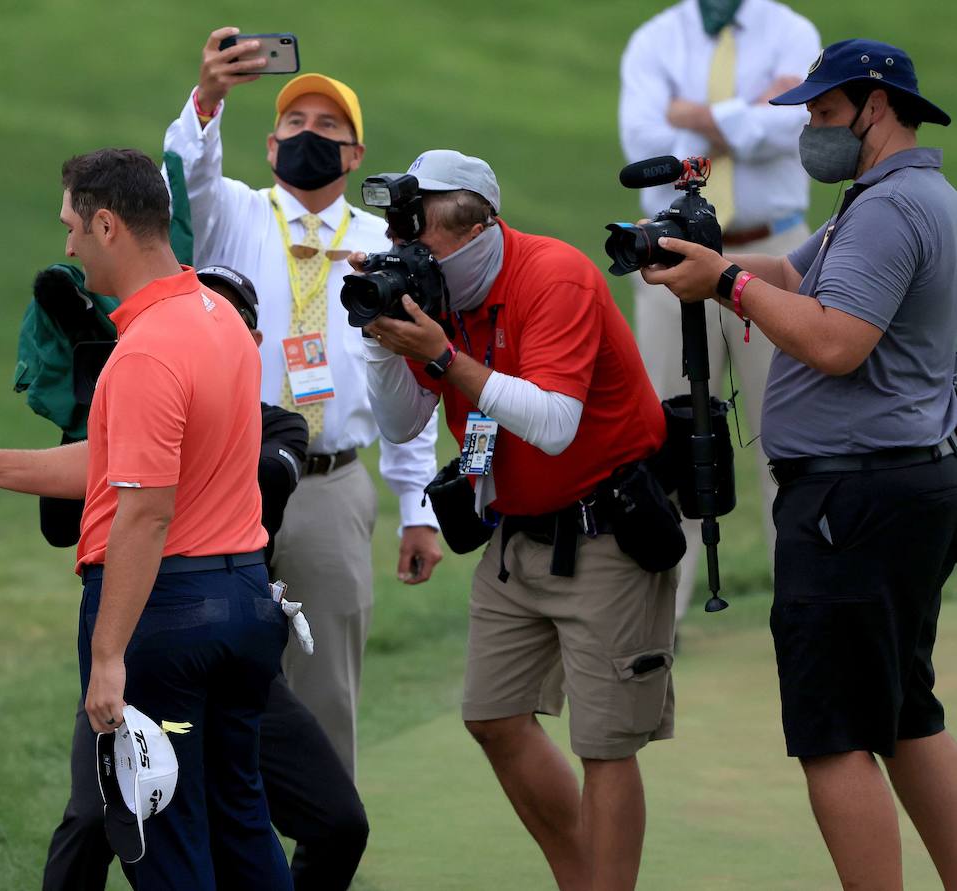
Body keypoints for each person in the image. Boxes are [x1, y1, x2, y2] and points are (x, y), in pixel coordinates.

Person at [0, 149, 292, 890]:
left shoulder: (146, 351)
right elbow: (118, 459)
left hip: (171, 624)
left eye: (72, 227)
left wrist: (107, 656)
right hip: (246, 607)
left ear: (106, 223)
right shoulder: (219, 317)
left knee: (166, 839)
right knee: (242, 822)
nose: (67, 247)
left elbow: (146, 512)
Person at [645, 38, 957, 890]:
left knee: (833, 731)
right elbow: (793, 275)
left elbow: (832, 340)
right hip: (900, 484)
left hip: (854, 498)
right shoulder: (896, 196)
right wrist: (705, 267)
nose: (812, 131)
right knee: (905, 708)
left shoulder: (891, 209)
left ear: (875, 106)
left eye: (823, 113)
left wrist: (729, 288)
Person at [362, 150, 676, 890]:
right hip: (513, 534)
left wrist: (443, 358)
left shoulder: (553, 275)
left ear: (481, 231)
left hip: (607, 530)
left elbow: (556, 422)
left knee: (604, 743)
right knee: (494, 715)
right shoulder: (432, 293)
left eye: (427, 246)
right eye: (406, 244)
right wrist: (381, 340)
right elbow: (403, 423)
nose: (417, 261)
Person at [163, 26, 441, 777]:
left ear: (355, 156)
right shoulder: (233, 215)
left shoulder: (383, 245)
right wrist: (210, 96)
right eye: (294, 123)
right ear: (269, 145)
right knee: (213, 674)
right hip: (228, 475)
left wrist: (417, 504)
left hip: (330, 482)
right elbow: (185, 178)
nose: (308, 135)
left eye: (329, 127)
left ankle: (321, 847)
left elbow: (416, 383)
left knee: (325, 689)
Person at [41, 264, 369, 891]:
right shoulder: (134, 401)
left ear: (247, 342)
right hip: (140, 647)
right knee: (92, 819)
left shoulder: (279, 426)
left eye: (230, 322)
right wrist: (97, 410)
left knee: (337, 821)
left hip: (228, 655)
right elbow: (60, 523)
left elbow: (261, 480)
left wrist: (149, 422)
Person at [619, 0, 820, 618]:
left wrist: (699, 116)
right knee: (666, 428)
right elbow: (646, 143)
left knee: (786, 431)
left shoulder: (791, 31)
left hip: (774, 245)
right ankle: (662, 610)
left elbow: (793, 126)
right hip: (675, 251)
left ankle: (806, 599)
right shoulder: (655, 39)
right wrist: (747, 111)